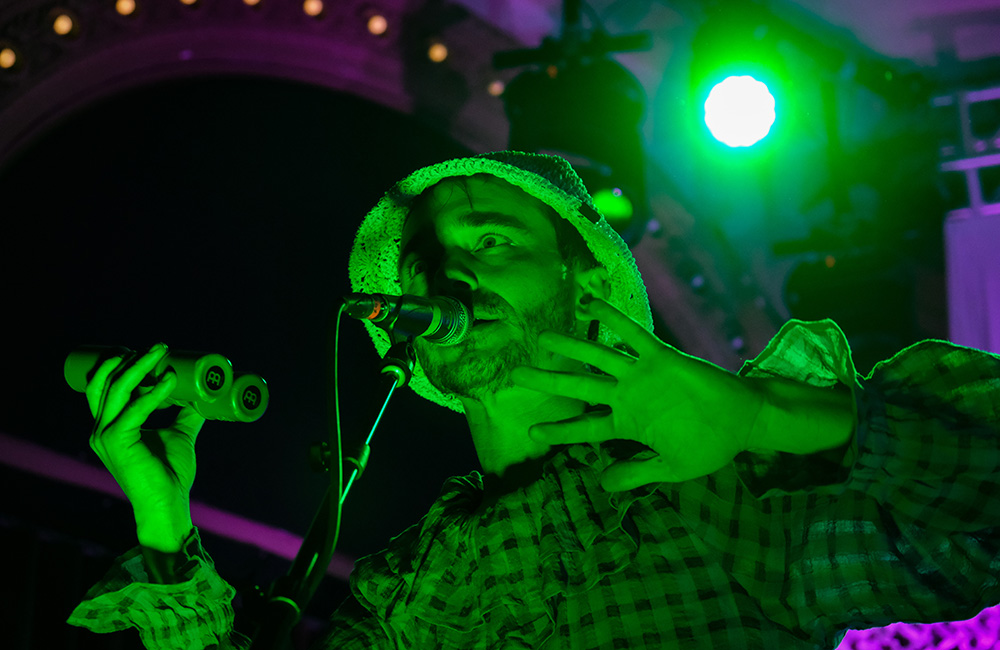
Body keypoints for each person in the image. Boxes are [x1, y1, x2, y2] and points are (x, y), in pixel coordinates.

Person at [69, 151, 1000, 649]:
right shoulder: (406, 587)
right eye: (428, 260)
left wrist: (769, 420)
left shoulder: (718, 479)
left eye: (492, 242)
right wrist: (163, 523)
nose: (448, 271)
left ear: (585, 284)